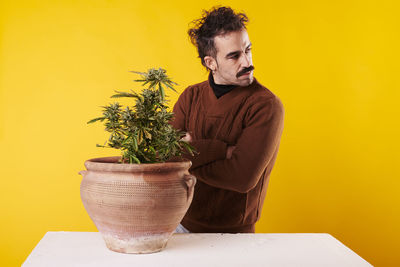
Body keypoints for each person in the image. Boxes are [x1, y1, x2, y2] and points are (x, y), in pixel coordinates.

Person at [171, 6, 285, 234]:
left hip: (235, 235)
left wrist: (188, 156)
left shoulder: (266, 105)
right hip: (179, 227)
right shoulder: (190, 97)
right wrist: (221, 151)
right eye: (234, 55)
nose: (246, 62)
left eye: (248, 50)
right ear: (210, 63)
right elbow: (165, 157)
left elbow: (242, 178)